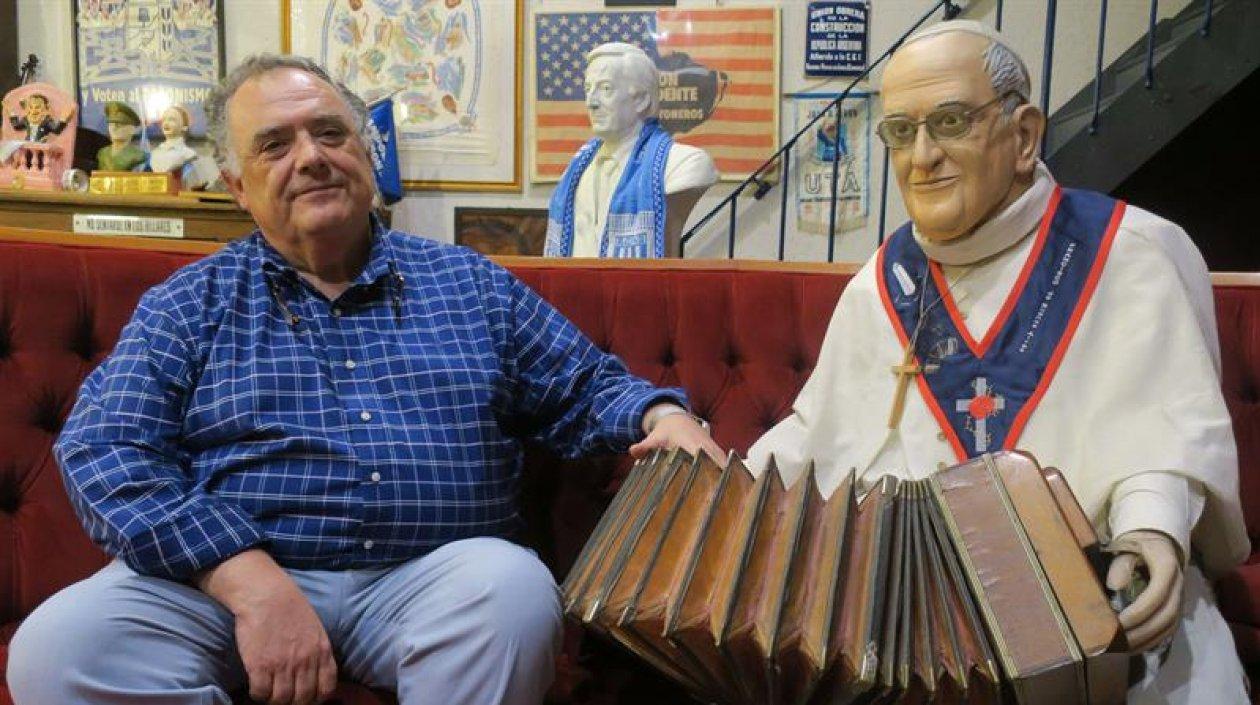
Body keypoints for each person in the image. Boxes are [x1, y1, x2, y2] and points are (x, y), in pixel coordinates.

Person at [6, 54, 719, 705]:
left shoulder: (470, 284)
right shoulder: (187, 304)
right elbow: (106, 448)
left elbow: (585, 385)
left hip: (429, 580)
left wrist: (660, 414)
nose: (311, 158)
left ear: (367, 154)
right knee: (59, 649)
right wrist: (245, 578)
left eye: (330, 133)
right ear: (236, 187)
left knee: (511, 591)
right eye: (275, 145)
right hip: (221, 586)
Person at [747, 20, 1249, 703]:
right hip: (909, 619)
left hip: (1095, 602)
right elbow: (821, 431)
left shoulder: (1132, 252)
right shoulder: (884, 279)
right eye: (901, 131)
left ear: (1024, 134)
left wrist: (1150, 527)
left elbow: (1160, 438)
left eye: (950, 121)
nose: (922, 156)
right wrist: (735, 492)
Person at [545, 42, 718, 259]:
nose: (591, 102)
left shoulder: (684, 164)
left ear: (641, 100)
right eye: (588, 89)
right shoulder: (577, 168)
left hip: (641, 291)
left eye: (605, 89)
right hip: (573, 292)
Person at [149, 104, 216, 189]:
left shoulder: (188, 153)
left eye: (172, 120)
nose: (166, 123)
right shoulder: (155, 153)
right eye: (164, 119)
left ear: (184, 127)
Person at [95, 101, 148, 172]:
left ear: (132, 130)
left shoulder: (138, 156)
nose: (114, 128)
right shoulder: (102, 153)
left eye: (119, 125)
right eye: (111, 125)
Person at [5, 92, 74, 143]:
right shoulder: (26, 119)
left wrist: (63, 119)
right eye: (31, 107)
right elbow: (16, 126)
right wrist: (11, 112)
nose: (33, 111)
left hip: (41, 149)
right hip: (27, 147)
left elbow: (56, 130)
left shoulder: (46, 121)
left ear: (46, 109)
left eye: (37, 107)